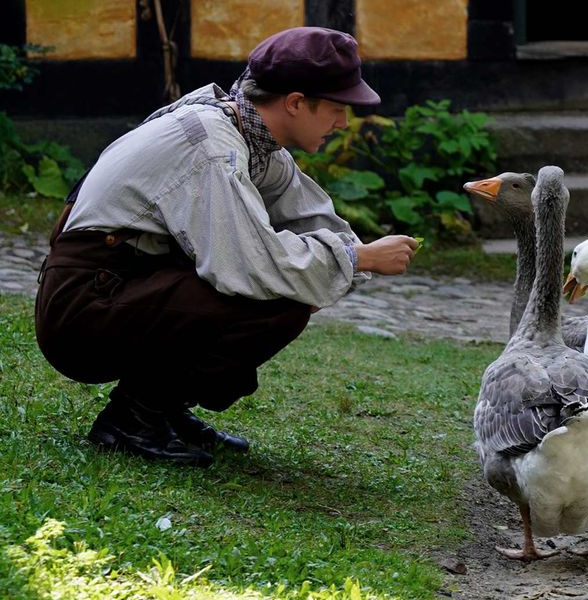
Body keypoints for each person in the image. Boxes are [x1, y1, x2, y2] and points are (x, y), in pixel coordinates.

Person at [34, 27, 419, 467]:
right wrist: (354, 258)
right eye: (336, 109)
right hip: (83, 308)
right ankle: (132, 419)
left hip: (122, 286)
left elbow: (310, 217)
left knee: (287, 292)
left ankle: (161, 410)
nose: (343, 123)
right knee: (273, 299)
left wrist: (345, 259)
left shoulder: (252, 139)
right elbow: (251, 265)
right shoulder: (212, 145)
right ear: (294, 103)